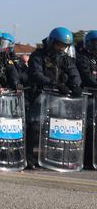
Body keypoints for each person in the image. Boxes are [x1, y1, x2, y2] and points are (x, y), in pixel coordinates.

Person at [27, 27, 82, 167]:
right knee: (35, 126)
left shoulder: (66, 58)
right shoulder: (38, 55)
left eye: (64, 46)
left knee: (61, 127)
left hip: (60, 98)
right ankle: (30, 159)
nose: (61, 48)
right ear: (52, 42)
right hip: (41, 96)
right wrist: (54, 84)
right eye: (59, 44)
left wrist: (76, 85)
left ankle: (58, 157)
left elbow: (74, 73)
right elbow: (36, 74)